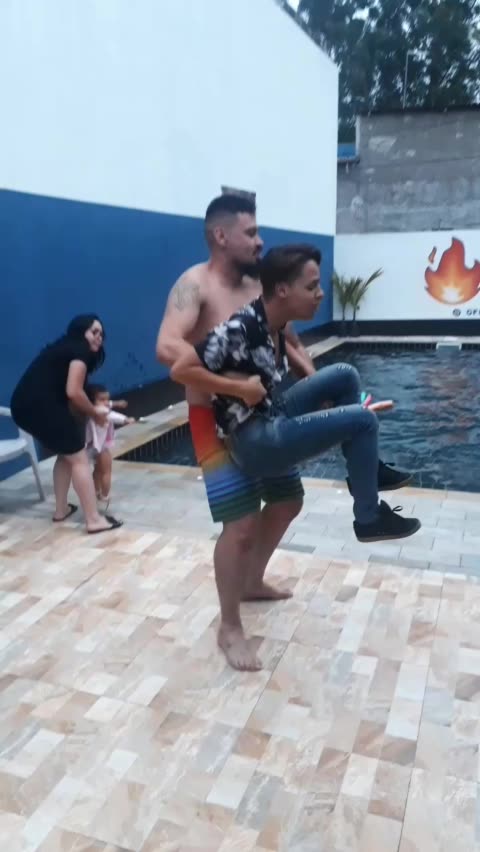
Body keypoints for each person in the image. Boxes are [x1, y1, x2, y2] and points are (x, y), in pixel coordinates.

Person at [156, 195, 414, 671]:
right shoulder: (194, 286)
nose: (260, 241)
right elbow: (169, 350)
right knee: (240, 526)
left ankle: (252, 581)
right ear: (221, 236)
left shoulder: (262, 285)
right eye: (251, 233)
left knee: (288, 500)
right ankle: (229, 626)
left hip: (265, 409)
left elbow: (291, 343)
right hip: (214, 418)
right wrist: (233, 384)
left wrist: (329, 403)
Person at [10, 315, 123, 534]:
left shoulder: (64, 349)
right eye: (94, 332)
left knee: (66, 454)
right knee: (79, 458)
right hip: (41, 406)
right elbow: (74, 391)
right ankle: (93, 520)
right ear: (80, 332)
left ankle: (61, 510)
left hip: (23, 406)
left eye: (101, 333)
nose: (99, 337)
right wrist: (94, 413)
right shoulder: (80, 351)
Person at [85, 383, 135, 513]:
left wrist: (116, 403)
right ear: (92, 401)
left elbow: (106, 405)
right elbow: (110, 414)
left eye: (107, 399)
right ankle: (105, 496)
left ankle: (96, 491)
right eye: (102, 399)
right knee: (106, 471)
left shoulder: (89, 408)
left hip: (91, 446)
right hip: (101, 447)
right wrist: (125, 419)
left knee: (97, 471)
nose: (106, 402)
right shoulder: (101, 411)